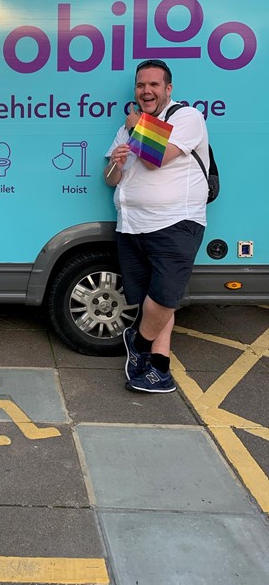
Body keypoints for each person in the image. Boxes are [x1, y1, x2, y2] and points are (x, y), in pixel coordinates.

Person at [104, 59, 208, 394]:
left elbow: (156, 157)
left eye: (153, 85)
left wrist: (136, 127)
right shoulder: (128, 128)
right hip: (132, 225)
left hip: (175, 223)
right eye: (140, 85)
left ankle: (137, 340)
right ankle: (158, 367)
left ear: (168, 89)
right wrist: (117, 164)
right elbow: (111, 180)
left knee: (163, 298)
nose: (146, 91)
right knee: (152, 299)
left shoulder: (186, 117)